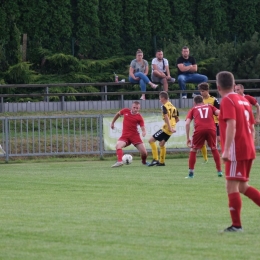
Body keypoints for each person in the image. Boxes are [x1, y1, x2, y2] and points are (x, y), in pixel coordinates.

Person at [216, 71, 260, 232]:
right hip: (248, 147)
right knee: (242, 187)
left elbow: (231, 125)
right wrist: (251, 142)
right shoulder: (243, 100)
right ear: (234, 85)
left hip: (237, 149)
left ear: (218, 87)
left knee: (231, 186)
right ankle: (236, 225)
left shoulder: (227, 100)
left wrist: (227, 150)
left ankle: (236, 225)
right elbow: (252, 127)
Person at [185, 95, 222, 178]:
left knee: (193, 149)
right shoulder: (209, 106)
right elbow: (220, 112)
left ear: (194, 102)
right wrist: (220, 120)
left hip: (199, 130)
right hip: (211, 129)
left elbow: (187, 123)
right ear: (203, 101)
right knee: (214, 148)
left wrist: (187, 138)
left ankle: (191, 173)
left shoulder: (193, 109)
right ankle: (219, 171)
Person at [110, 101, 148, 167]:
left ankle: (144, 162)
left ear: (139, 108)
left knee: (144, 153)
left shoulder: (139, 117)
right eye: (134, 107)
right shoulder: (125, 111)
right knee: (118, 146)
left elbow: (142, 126)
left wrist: (144, 132)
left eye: (137, 108)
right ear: (131, 107)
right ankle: (119, 162)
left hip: (135, 136)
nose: (135, 109)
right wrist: (113, 122)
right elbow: (118, 114)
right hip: (125, 136)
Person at [148, 91, 179, 166]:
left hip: (167, 128)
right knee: (161, 144)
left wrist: (169, 127)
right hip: (171, 128)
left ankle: (155, 159)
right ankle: (162, 162)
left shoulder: (164, 106)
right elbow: (177, 119)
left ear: (163, 98)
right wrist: (172, 127)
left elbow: (166, 117)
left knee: (151, 140)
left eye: (160, 98)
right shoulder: (173, 107)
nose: (159, 100)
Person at [198, 82, 221, 163]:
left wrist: (220, 119)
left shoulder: (213, 99)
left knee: (219, 139)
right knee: (203, 141)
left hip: (215, 122)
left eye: (203, 91)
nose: (201, 93)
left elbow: (220, 110)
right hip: (204, 123)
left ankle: (224, 156)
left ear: (207, 90)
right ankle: (205, 159)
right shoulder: (200, 100)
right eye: (200, 91)